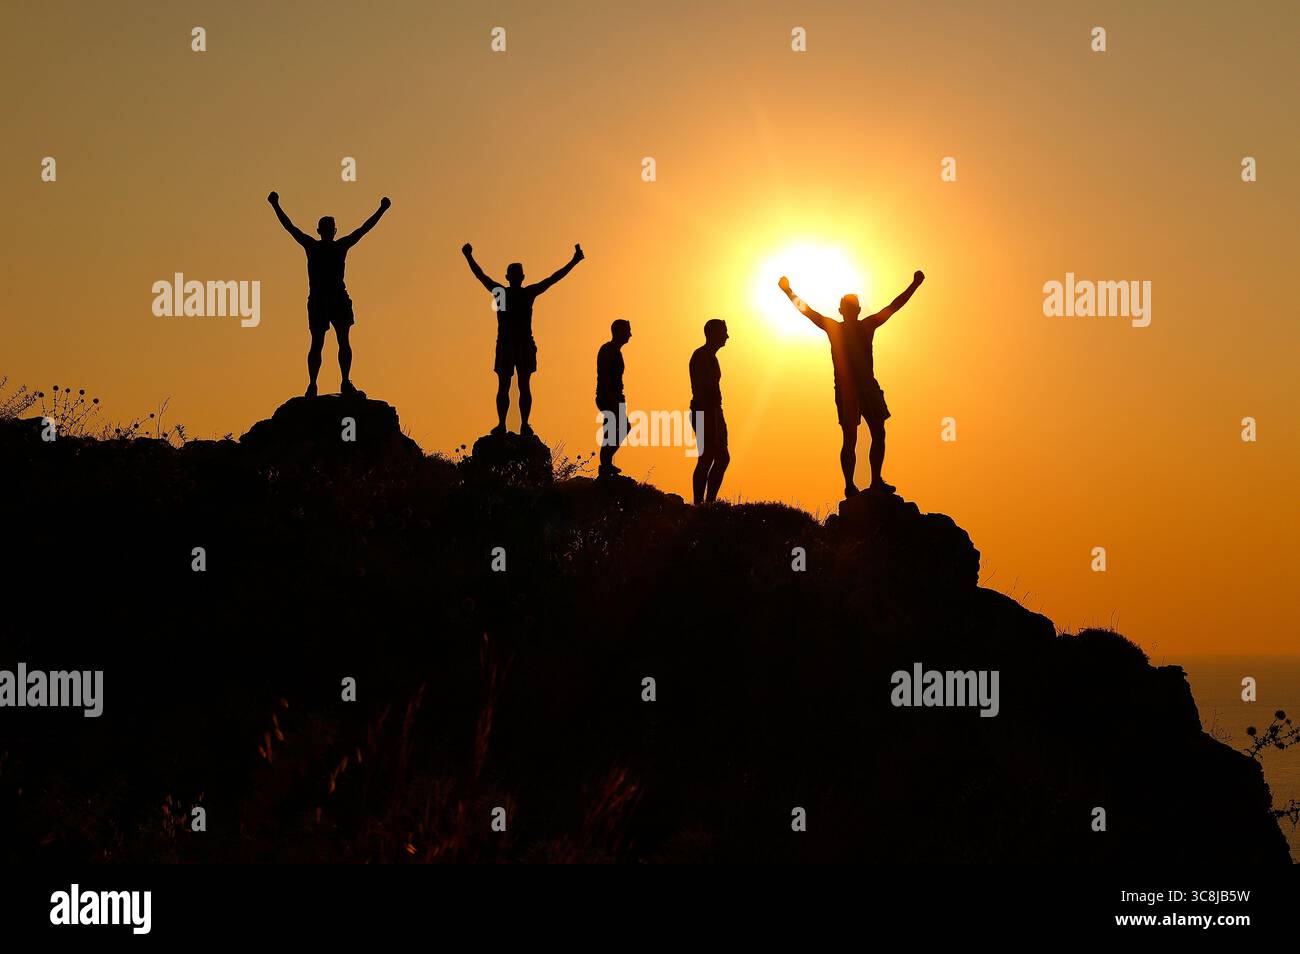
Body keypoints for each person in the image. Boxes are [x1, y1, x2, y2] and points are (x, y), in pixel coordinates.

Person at [778, 270, 924, 497]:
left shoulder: (859, 326)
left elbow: (894, 306)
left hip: (866, 387)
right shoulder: (844, 327)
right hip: (851, 390)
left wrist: (915, 285)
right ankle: (851, 485)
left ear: (854, 310)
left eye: (852, 308)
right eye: (849, 308)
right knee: (853, 438)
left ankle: (872, 481)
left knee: (875, 433)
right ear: (846, 311)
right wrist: (788, 291)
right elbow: (807, 311)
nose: (851, 311)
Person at [268, 191, 390, 398]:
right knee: (328, 342)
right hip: (326, 299)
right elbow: (363, 230)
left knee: (328, 342)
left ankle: (328, 384)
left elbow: (290, 227)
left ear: (326, 231)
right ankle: (319, 384)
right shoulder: (327, 246)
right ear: (329, 231)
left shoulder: (318, 246)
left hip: (329, 299)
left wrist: (275, 205)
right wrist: (382, 209)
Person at [462, 242, 584, 436]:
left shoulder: (511, 293)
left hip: (515, 344)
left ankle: (517, 424)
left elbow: (481, 276)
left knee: (513, 386)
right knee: (515, 386)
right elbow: (552, 279)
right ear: (520, 277)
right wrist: (574, 261)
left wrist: (468, 256)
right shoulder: (522, 293)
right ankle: (512, 424)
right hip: (514, 345)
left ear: (509, 278)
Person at [689, 319, 730, 504]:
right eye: (724, 332)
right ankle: (699, 504)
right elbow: (701, 389)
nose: (727, 336)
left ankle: (709, 503)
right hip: (704, 410)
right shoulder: (700, 356)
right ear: (714, 333)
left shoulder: (711, 357)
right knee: (707, 457)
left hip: (714, 411)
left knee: (722, 458)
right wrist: (709, 417)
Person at [595, 319, 633, 477]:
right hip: (608, 396)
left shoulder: (615, 350)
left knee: (612, 429)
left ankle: (606, 464)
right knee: (622, 427)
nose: (630, 335)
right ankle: (605, 464)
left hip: (614, 397)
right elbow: (605, 376)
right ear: (619, 332)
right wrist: (612, 398)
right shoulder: (608, 350)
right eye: (627, 331)